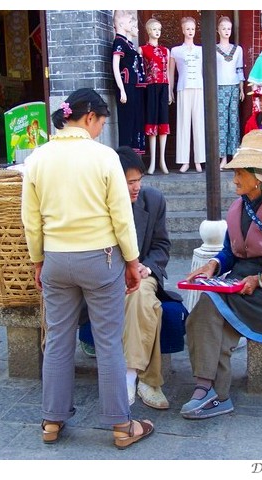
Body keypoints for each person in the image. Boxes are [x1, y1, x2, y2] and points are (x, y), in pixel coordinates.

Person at [21, 88, 153, 448]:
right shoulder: (104, 157)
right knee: (109, 341)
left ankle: (51, 420)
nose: (100, 130)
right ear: (90, 118)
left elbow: (30, 220)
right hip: (101, 257)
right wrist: (132, 261)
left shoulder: (38, 158)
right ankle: (121, 427)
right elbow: (121, 217)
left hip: (56, 259)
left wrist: (38, 259)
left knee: (59, 339)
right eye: (101, 123)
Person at [179, 130, 262, 419]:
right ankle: (212, 392)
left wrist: (260, 280)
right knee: (209, 319)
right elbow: (232, 252)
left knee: (207, 310)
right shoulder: (238, 207)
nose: (235, 179)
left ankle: (207, 391)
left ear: (259, 176)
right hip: (240, 282)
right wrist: (214, 265)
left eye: (240, 172)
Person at [78, 145, 183, 410]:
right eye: (129, 182)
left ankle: (128, 376)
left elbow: (161, 246)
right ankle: (149, 381)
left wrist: (147, 267)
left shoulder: (153, 200)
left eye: (139, 180)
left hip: (142, 272)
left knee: (140, 294)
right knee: (151, 308)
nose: (136, 187)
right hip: (107, 273)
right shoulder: (98, 205)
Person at [169, 16, 205, 173]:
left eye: (192, 28)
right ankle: (184, 161)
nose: (190, 31)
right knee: (183, 124)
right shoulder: (176, 51)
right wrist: (170, 90)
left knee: (199, 123)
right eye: (187, 28)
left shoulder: (202, 50)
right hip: (183, 87)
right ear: (183, 30)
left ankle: (199, 160)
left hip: (199, 87)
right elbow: (170, 72)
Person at [112, 10, 146, 155]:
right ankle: (125, 157)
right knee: (126, 122)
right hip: (126, 85)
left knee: (134, 120)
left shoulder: (128, 43)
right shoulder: (119, 42)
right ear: (120, 23)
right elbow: (115, 66)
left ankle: (133, 156)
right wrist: (122, 89)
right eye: (129, 22)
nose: (132, 24)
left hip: (134, 86)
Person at [139, 18, 171, 175]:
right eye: (154, 29)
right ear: (148, 31)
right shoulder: (142, 49)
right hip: (150, 87)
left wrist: (170, 91)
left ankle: (162, 160)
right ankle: (152, 161)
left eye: (159, 29)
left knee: (163, 122)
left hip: (164, 87)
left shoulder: (166, 50)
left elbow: (168, 72)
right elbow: (141, 71)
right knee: (152, 122)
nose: (157, 32)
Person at [216, 15, 245, 169]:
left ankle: (234, 155)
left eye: (229, 28)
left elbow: (239, 69)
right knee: (221, 123)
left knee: (233, 121)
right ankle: (222, 157)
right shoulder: (213, 49)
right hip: (219, 87)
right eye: (223, 28)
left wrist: (241, 88)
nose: (227, 31)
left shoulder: (237, 49)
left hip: (234, 86)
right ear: (218, 30)